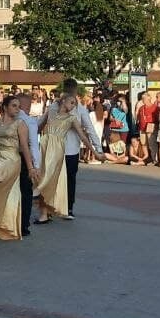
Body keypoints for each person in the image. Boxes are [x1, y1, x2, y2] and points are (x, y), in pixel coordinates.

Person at [38, 87, 100, 222]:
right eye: (71, 103)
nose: (73, 106)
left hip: (59, 149)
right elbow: (37, 127)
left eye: (75, 104)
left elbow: (84, 136)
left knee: (53, 179)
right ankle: (44, 213)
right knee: (44, 178)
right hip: (45, 147)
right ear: (63, 100)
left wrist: (95, 151)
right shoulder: (51, 112)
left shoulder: (72, 118)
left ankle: (58, 208)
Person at [0, 96, 33, 241]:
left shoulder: (20, 124)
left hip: (11, 159)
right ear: (5, 107)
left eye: (18, 106)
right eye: (14, 106)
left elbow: (25, 147)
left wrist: (31, 168)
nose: (18, 108)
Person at [14, 91, 42, 236]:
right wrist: (35, 165)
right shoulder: (29, 121)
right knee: (25, 192)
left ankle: (13, 222)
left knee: (14, 191)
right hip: (24, 160)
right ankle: (23, 225)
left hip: (9, 158)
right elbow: (33, 145)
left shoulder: (10, 118)